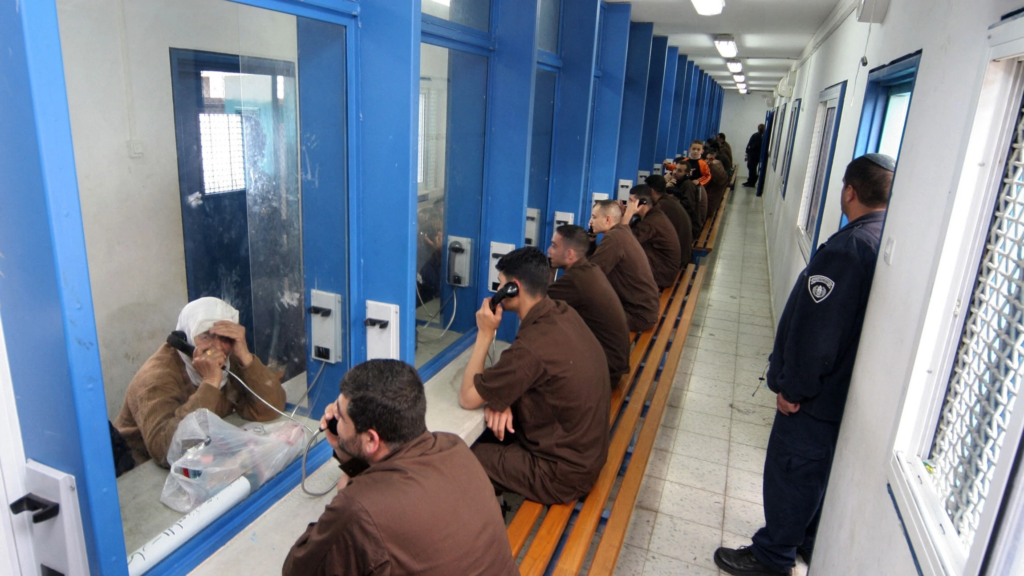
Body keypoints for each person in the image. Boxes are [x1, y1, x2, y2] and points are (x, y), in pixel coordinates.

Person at [713, 154, 895, 576]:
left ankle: (772, 555)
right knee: (811, 475)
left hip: (813, 399)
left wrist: (792, 389)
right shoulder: (882, 237)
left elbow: (819, 336)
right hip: (835, 396)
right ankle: (802, 538)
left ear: (849, 191)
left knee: (791, 471)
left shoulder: (849, 248)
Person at [284, 360, 517, 576]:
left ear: (372, 440)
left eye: (342, 417)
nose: (335, 419)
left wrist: (345, 500)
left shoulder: (357, 509)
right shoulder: (452, 445)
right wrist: (348, 453)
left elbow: (298, 569)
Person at [459, 247, 610, 505]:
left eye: (501, 284)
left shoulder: (532, 346)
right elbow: (535, 375)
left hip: (560, 475)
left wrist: (485, 333)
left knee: (464, 456)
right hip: (586, 454)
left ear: (514, 288)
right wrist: (503, 397)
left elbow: (468, 397)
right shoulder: (562, 312)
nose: (497, 290)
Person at [114, 297, 286, 466]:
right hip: (141, 469)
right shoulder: (155, 379)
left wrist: (245, 357)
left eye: (225, 337)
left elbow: (270, 409)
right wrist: (210, 382)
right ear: (186, 338)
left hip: (204, 452)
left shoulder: (228, 358)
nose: (218, 347)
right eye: (206, 337)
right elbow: (167, 451)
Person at [547, 224, 631, 387]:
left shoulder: (576, 280)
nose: (549, 250)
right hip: (614, 362)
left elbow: (536, 306)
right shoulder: (589, 269)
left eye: (554, 246)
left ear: (569, 254)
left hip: (606, 370)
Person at [588, 200, 661, 332]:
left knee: (583, 317)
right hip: (645, 309)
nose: (590, 221)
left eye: (594, 217)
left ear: (607, 219)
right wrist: (591, 235)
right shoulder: (622, 231)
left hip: (638, 315)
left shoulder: (614, 238)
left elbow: (591, 273)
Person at [625, 186, 682, 290]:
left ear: (641, 203)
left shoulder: (650, 223)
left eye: (631, 201)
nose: (628, 204)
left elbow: (624, 242)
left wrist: (627, 214)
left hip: (661, 275)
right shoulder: (654, 214)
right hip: (665, 269)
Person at [645, 175, 692, 268]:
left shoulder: (661, 206)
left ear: (651, 191)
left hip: (676, 260)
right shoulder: (669, 201)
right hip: (683, 253)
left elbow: (645, 232)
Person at [667, 163, 704, 231]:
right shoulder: (676, 182)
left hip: (690, 226)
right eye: (675, 169)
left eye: (679, 171)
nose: (675, 172)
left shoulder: (688, 185)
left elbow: (687, 205)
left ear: (686, 173)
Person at [704, 148, 730, 218]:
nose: (708, 161)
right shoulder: (719, 169)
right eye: (707, 159)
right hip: (710, 203)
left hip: (708, 206)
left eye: (711, 159)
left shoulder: (717, 171)